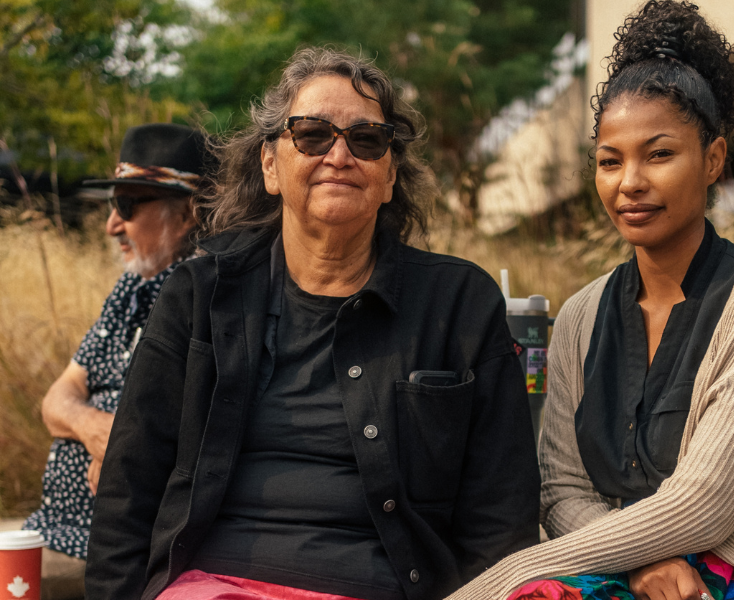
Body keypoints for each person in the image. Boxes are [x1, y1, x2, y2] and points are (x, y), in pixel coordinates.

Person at [443, 3, 734, 600]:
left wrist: (510, 572)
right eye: (609, 161)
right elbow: (560, 489)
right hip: (633, 576)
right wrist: (643, 564)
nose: (630, 182)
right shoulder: (579, 317)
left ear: (714, 161)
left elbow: (704, 506)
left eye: (660, 154)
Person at [85, 47, 540, 600]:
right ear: (270, 165)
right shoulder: (199, 295)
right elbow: (129, 488)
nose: (340, 155)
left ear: (390, 173)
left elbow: (500, 511)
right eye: (312, 134)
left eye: (367, 138)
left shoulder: (460, 304)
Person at [22, 123, 215, 600]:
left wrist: (128, 446)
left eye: (126, 205)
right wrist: (95, 428)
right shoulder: (131, 288)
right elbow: (56, 399)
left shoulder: (207, 299)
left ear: (189, 214)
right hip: (57, 530)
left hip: (126, 548)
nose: (111, 224)